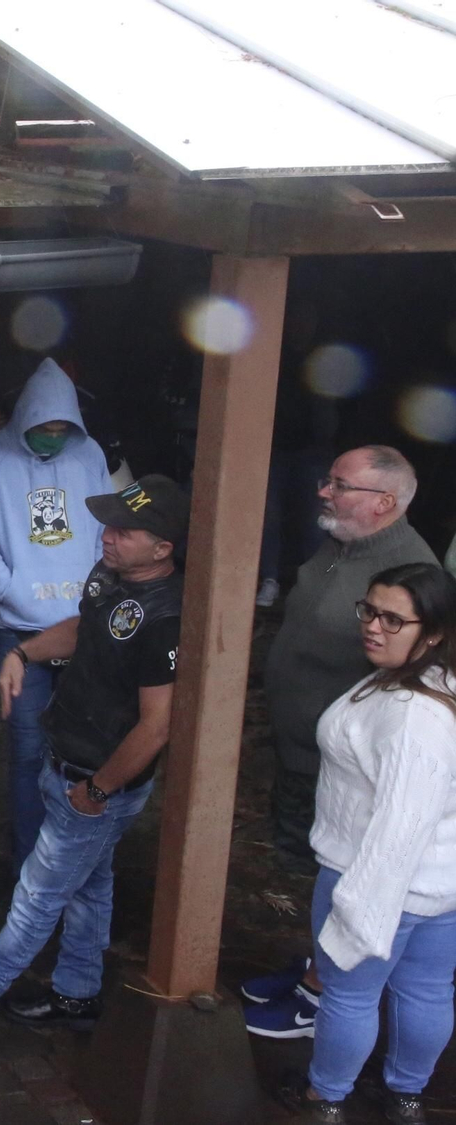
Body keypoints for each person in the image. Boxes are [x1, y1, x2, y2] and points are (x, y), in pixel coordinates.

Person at [0, 476, 189, 1038]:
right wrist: (24, 653)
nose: (107, 536)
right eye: (108, 525)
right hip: (67, 759)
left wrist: (98, 791)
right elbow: (88, 629)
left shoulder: (166, 618)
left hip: (97, 782)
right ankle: (77, 995)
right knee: (89, 887)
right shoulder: (111, 575)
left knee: (38, 894)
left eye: (124, 531)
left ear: (163, 548)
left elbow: (157, 725)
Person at [244, 447, 437, 1037]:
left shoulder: (409, 573)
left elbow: (418, 681)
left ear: (384, 503)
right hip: (303, 754)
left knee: (340, 879)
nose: (324, 492)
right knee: (307, 872)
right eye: (328, 480)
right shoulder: (340, 544)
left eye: (340, 485)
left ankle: (324, 997)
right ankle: (317, 968)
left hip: (349, 774)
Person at [284, 563, 456, 1125]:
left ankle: (326, 1097)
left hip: (372, 872)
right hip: (441, 884)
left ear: (433, 632)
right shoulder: (423, 683)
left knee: (351, 995)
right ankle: (407, 1095)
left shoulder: (413, 715)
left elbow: (402, 822)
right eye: (369, 611)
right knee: (427, 992)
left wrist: (362, 906)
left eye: (393, 620)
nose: (373, 627)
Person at [0, 358, 113, 870]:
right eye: (45, 428)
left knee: (85, 748)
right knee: (27, 750)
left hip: (83, 627)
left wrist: (99, 589)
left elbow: (107, 527)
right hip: (18, 628)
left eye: (62, 430)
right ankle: (27, 865)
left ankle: (74, 861)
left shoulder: (90, 453)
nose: (53, 438)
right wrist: (4, 589)